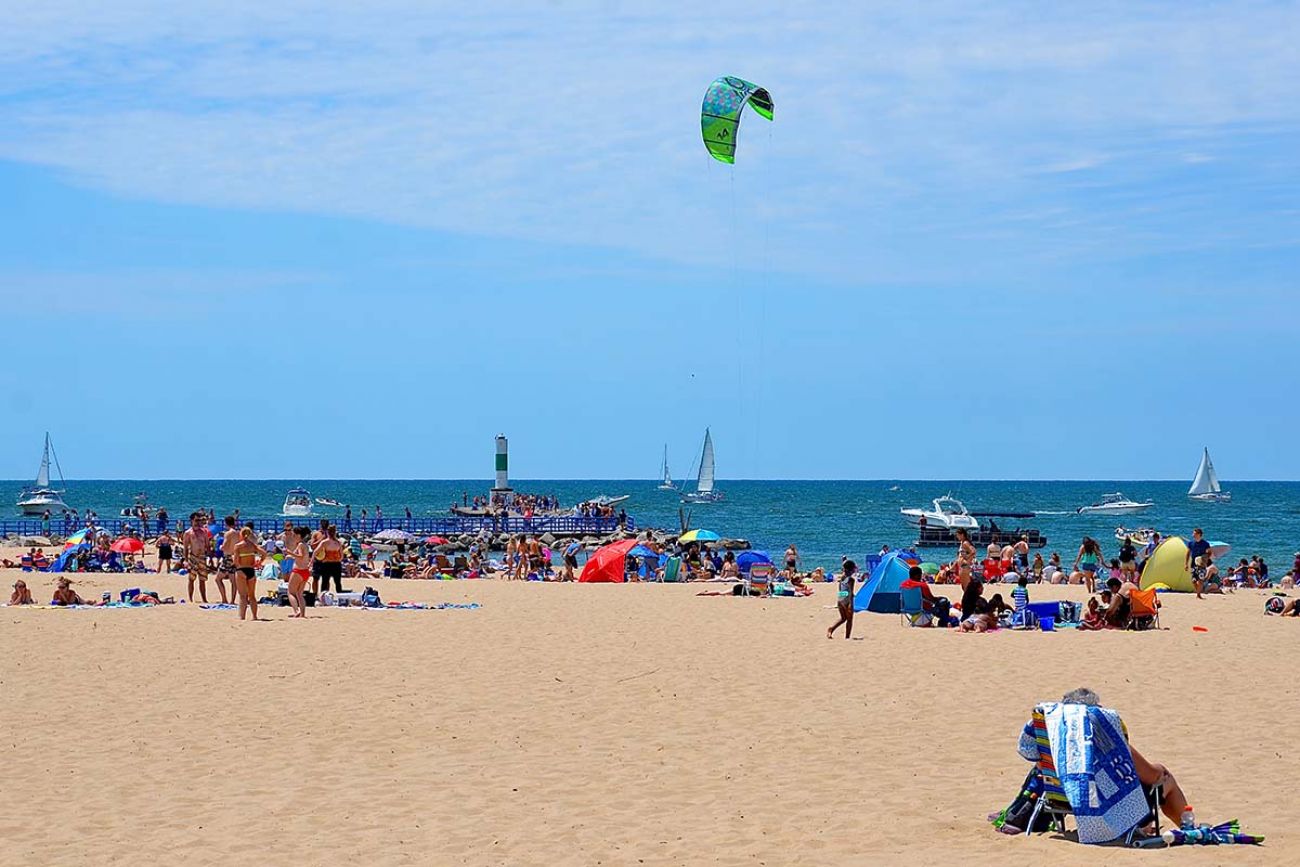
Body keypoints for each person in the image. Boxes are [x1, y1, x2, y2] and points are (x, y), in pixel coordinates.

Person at [1012, 688, 1191, 834]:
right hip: (1107, 806)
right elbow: (1151, 776)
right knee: (1166, 780)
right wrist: (1161, 769)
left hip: (1061, 799)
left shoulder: (1051, 742)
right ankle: (1188, 828)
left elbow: (1033, 759)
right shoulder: (1107, 738)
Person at [231, 527, 266, 621]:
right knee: (252, 595)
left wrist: (237, 565)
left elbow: (235, 561)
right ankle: (254, 616)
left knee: (242, 596)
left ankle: (242, 616)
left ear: (241, 535)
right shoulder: (252, 545)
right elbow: (264, 553)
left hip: (241, 570)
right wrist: (259, 562)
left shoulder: (238, 546)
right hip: (251, 570)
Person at [182, 512, 211, 603]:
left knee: (202, 580)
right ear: (192, 520)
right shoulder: (188, 533)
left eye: (199, 520)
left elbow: (207, 545)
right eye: (196, 520)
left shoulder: (204, 532)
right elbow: (185, 548)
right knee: (191, 579)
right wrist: (186, 560)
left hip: (202, 557)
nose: (198, 522)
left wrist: (210, 558)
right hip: (193, 558)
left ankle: (204, 599)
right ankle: (190, 598)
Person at [827, 560, 860, 639]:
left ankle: (831, 629)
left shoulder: (842, 577)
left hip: (840, 598)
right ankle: (847, 637)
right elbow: (851, 593)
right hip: (847, 600)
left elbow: (840, 589)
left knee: (843, 618)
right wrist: (851, 604)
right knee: (849, 619)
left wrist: (841, 597)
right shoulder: (851, 580)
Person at [285, 526, 312, 618]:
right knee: (300, 593)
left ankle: (296, 611)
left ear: (298, 535)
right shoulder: (305, 545)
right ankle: (302, 614)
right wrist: (291, 556)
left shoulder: (300, 545)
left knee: (290, 592)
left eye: (294, 535)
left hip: (298, 571)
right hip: (305, 571)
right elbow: (303, 557)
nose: (293, 536)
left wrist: (289, 553)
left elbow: (300, 556)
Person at [215, 515, 239, 605]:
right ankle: (232, 600)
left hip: (227, 557)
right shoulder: (237, 533)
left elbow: (224, 546)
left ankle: (224, 599)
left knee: (218, 579)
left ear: (226, 523)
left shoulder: (228, 533)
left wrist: (220, 547)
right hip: (234, 557)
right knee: (233, 581)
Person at [1185, 528, 1212, 598]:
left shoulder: (1205, 544)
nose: (1193, 535)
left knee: (1200, 580)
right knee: (1193, 581)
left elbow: (1209, 553)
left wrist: (1205, 557)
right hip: (1193, 564)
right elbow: (1188, 553)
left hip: (1202, 564)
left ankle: (1198, 594)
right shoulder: (1191, 543)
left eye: (1194, 533)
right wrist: (1186, 564)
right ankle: (1199, 591)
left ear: (1199, 534)